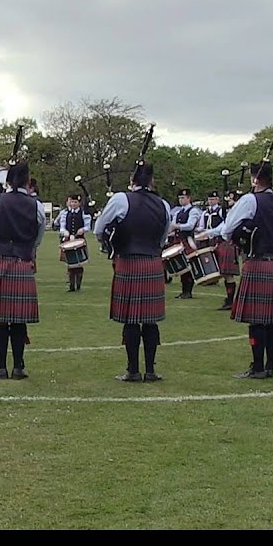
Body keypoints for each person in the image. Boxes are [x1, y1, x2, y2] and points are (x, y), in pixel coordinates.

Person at [208, 161, 273, 380]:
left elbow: (227, 231)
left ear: (254, 178)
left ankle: (257, 367)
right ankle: (270, 366)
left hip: (256, 262)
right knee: (272, 320)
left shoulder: (249, 200)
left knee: (256, 320)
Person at [93, 162, 174, 382]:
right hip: (153, 262)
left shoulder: (121, 199)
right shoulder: (163, 204)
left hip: (128, 262)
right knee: (150, 320)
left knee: (131, 319)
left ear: (132, 180)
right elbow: (164, 236)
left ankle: (133, 371)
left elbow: (99, 229)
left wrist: (111, 245)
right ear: (152, 180)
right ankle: (150, 371)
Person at [0, 161, 46, 379]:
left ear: (8, 181)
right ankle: (19, 366)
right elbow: (38, 236)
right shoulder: (37, 206)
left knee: (0, 318)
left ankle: (1, 366)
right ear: (28, 181)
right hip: (22, 263)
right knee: (19, 318)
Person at [203, 191, 239, 309]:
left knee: (228, 274)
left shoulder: (234, 214)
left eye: (231, 200)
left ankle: (230, 301)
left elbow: (224, 229)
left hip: (227, 243)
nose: (230, 202)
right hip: (221, 242)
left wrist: (208, 233)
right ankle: (229, 300)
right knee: (224, 273)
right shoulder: (229, 213)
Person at [168, 188, 204, 299]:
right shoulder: (178, 212)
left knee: (188, 266)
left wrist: (177, 226)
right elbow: (172, 225)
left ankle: (188, 291)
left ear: (189, 198)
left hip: (188, 240)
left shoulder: (193, 211)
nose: (181, 200)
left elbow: (190, 225)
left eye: (183, 198)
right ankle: (184, 291)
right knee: (182, 267)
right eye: (179, 198)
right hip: (178, 241)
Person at [55, 193, 92, 292]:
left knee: (79, 264)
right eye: (72, 202)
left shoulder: (83, 213)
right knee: (70, 264)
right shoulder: (65, 213)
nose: (73, 204)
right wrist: (65, 232)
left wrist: (83, 230)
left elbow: (88, 227)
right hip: (69, 241)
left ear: (79, 203)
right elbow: (62, 227)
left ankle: (78, 286)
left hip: (79, 240)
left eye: (75, 202)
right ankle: (71, 286)